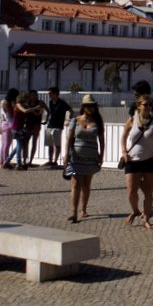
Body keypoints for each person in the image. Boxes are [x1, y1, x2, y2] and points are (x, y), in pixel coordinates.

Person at [120, 96, 153, 229]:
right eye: (146, 104)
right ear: (139, 106)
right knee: (131, 191)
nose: (149, 107)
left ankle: (146, 218)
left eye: (150, 105)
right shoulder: (132, 120)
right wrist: (123, 151)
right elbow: (123, 136)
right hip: (133, 160)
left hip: (150, 159)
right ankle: (135, 210)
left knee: (149, 192)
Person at [64, 94, 104, 222]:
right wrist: (66, 155)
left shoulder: (97, 122)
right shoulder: (75, 120)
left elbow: (102, 141)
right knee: (76, 184)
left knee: (86, 184)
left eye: (92, 106)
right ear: (83, 106)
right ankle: (73, 212)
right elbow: (69, 139)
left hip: (91, 158)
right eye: (88, 105)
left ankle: (84, 209)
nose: (91, 108)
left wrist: (101, 155)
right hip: (76, 157)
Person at [45, 88, 74, 168]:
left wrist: (67, 119)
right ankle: (50, 160)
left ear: (55, 94)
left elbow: (70, 111)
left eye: (50, 93)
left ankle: (55, 161)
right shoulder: (50, 102)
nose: (49, 95)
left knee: (57, 144)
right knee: (49, 144)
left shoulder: (62, 103)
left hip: (58, 126)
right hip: (50, 125)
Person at [25, 89, 48, 167]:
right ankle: (25, 159)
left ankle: (30, 161)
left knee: (34, 143)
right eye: (32, 95)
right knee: (26, 143)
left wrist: (46, 120)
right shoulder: (27, 103)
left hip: (36, 125)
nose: (34, 96)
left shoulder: (40, 103)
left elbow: (48, 111)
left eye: (35, 95)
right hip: (28, 125)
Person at [0, 89, 18, 169]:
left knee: (3, 145)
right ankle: (6, 162)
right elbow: (11, 114)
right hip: (9, 124)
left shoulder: (2, 102)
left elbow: (2, 114)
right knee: (7, 145)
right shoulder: (7, 103)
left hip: (3, 123)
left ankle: (2, 162)